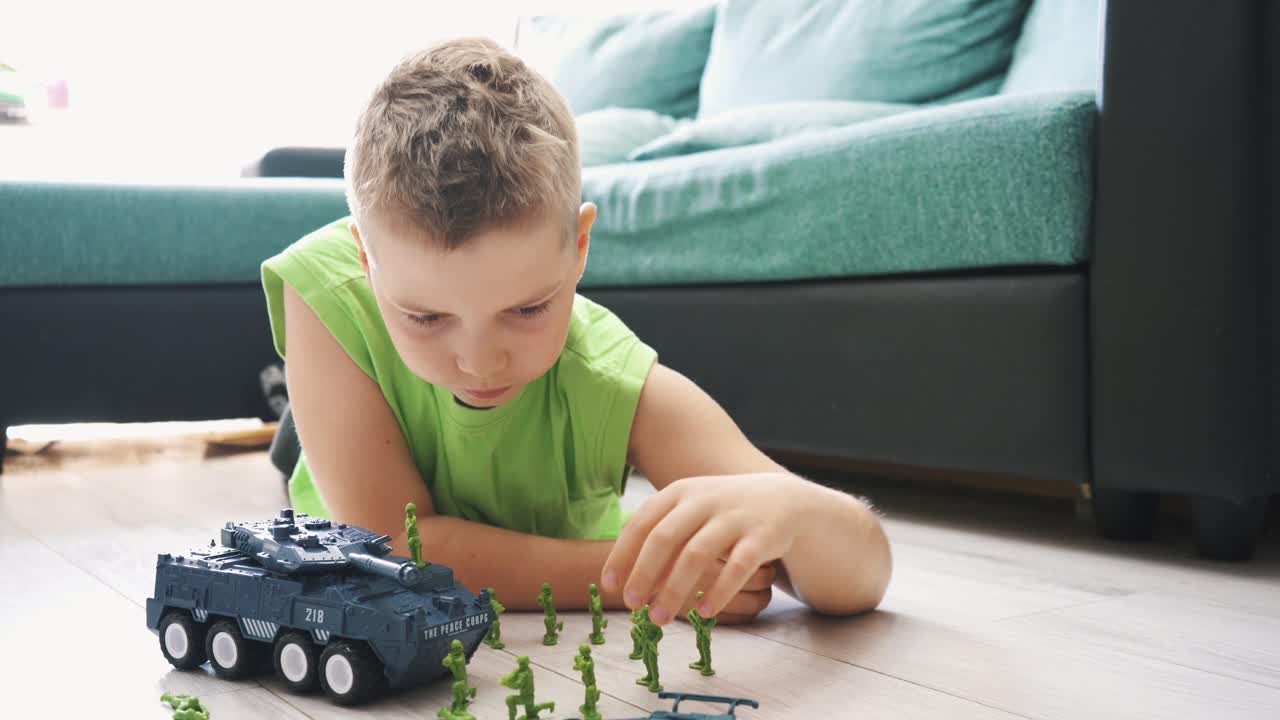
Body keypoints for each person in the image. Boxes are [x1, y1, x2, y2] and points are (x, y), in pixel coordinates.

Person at [260, 37, 891, 624]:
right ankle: (290, 416)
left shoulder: (609, 377)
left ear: (580, 246)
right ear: (366, 260)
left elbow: (863, 574)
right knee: (298, 447)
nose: (480, 363)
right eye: (426, 316)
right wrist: (640, 578)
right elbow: (395, 546)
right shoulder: (327, 285)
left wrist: (794, 511)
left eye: (526, 310)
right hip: (348, 430)